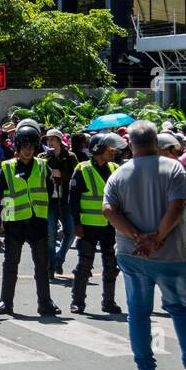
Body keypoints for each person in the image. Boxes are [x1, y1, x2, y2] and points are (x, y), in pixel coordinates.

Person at [101, 120, 186, 370]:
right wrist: (157, 237)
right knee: (182, 309)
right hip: (171, 254)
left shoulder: (119, 174)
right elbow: (177, 207)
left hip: (132, 253)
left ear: (131, 144)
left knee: (138, 312)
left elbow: (109, 211)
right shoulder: (173, 168)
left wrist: (137, 237)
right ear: (155, 142)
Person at [0, 124, 59, 317]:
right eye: (24, 145)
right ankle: (5, 301)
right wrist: (0, 227)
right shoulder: (6, 168)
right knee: (10, 264)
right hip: (14, 223)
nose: (28, 149)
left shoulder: (43, 166)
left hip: (38, 223)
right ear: (17, 146)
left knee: (42, 265)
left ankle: (45, 302)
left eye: (31, 145)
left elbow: (48, 191)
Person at [68, 132, 125, 315]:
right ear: (98, 149)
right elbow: (73, 200)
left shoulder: (116, 168)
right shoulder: (82, 169)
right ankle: (77, 302)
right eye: (109, 147)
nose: (113, 150)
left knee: (111, 266)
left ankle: (108, 302)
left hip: (110, 226)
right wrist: (76, 224)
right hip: (88, 226)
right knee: (84, 266)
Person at [44, 129, 78, 276]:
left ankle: (59, 257)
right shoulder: (43, 157)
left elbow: (77, 177)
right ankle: (51, 266)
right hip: (50, 201)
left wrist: (62, 175)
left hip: (66, 200)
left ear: (59, 141)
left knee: (70, 234)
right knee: (50, 236)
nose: (50, 142)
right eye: (48, 140)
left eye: (53, 139)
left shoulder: (70, 157)